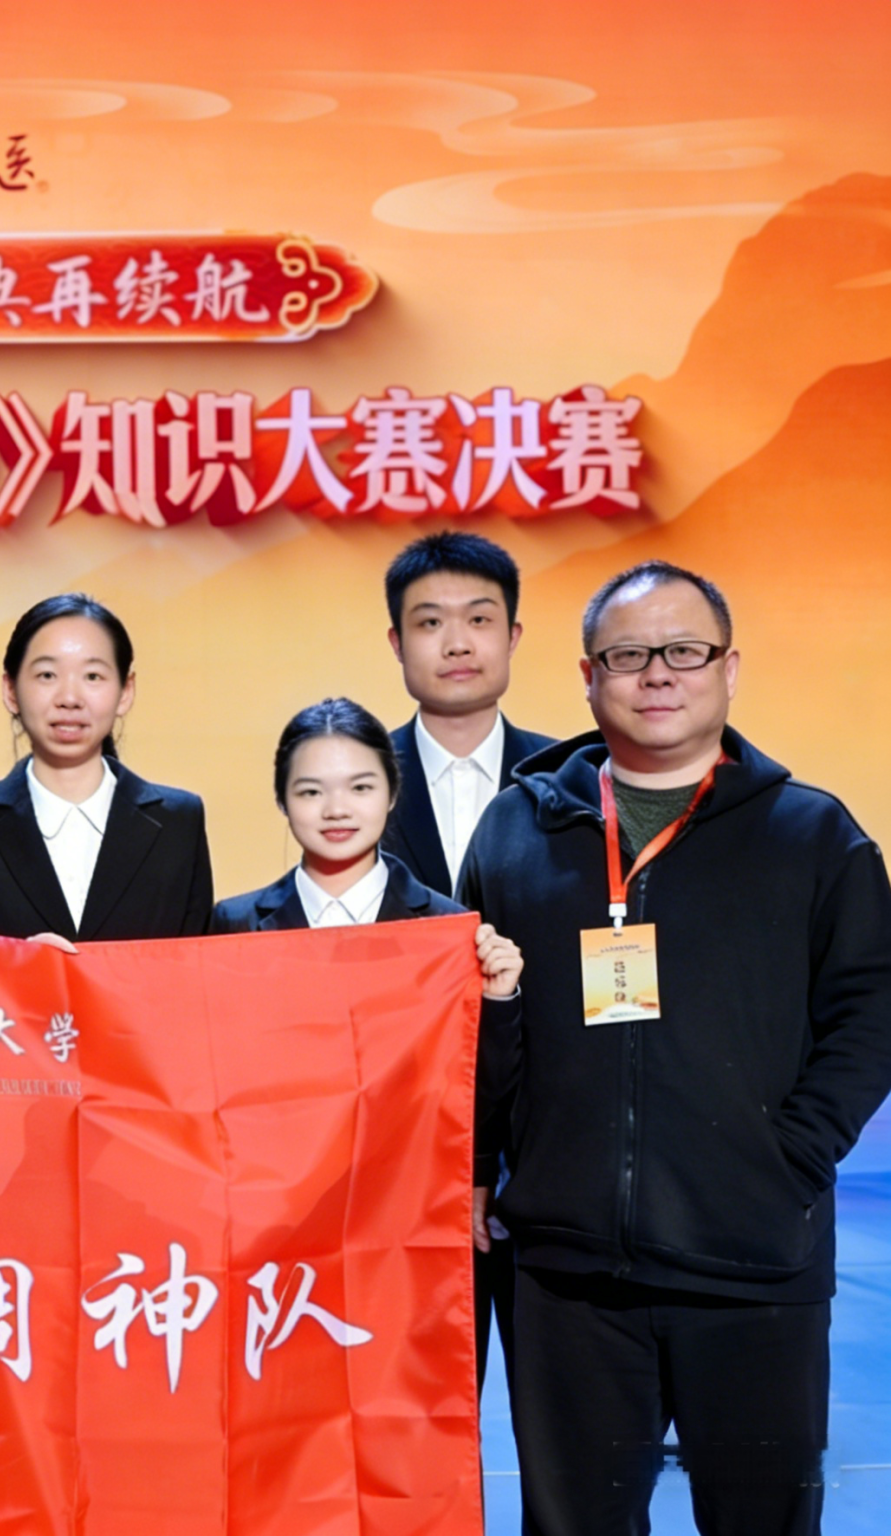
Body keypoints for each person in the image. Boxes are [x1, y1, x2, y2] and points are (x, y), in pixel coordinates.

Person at [463, 560, 891, 1536]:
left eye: (684, 651)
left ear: (727, 668)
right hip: (566, 1275)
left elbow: (869, 1009)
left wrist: (790, 1157)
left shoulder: (811, 834)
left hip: (753, 1265)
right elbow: (473, 1018)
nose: (657, 673)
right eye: (627, 655)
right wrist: (487, 1163)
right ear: (587, 676)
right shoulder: (515, 831)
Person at [379, 530, 557, 1396]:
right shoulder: (350, 781)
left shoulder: (577, 779)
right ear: (396, 642)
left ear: (513, 636)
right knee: (409, 1422)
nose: (457, 642)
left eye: (479, 619)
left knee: (561, 1427)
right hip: (401, 1160)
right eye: (430, 622)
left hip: (547, 1162)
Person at [0, 593, 213, 942]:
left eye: (93, 676)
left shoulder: (179, 822)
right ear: (11, 690)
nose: (69, 698)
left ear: (125, 691)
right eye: (47, 675)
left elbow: (194, 963)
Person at [208, 698, 522, 989]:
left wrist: (499, 999)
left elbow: (466, 1031)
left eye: (360, 788)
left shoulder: (448, 924)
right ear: (282, 800)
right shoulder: (235, 923)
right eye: (311, 792)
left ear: (392, 793)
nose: (336, 811)